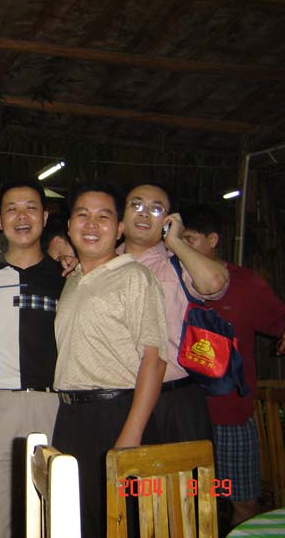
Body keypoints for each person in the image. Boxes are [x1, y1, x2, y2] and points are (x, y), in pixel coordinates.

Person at [53, 181, 168, 538]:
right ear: (69, 226)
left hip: (116, 414)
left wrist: (131, 435)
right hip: (70, 416)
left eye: (103, 217)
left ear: (119, 229)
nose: (91, 225)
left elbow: (155, 360)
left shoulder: (135, 276)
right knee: (78, 523)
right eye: (82, 215)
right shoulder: (72, 279)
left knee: (123, 524)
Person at [182, 205, 285, 526]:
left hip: (231, 417)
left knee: (244, 503)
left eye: (189, 240)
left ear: (212, 240)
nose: (180, 248)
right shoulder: (169, 280)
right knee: (187, 505)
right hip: (182, 416)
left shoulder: (245, 283)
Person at [0, 180, 64, 538]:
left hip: (51, 407)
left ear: (45, 217)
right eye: (11, 209)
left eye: (31, 208)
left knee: (50, 514)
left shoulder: (67, 277)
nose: (22, 217)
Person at [119, 183, 229, 443]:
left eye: (156, 209)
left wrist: (176, 242)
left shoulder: (176, 263)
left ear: (168, 220)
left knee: (187, 470)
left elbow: (215, 283)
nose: (144, 213)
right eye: (136, 204)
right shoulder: (105, 264)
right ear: (122, 214)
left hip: (175, 399)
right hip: (120, 397)